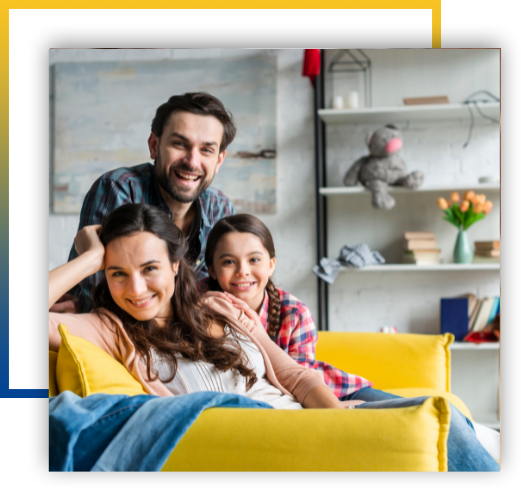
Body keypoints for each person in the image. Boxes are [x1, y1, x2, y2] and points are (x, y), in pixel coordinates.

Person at [201, 214, 499, 471]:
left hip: (335, 392)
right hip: (300, 407)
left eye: (254, 259)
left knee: (443, 414)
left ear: (271, 264)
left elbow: (300, 381)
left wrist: (349, 406)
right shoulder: (203, 310)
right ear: (212, 269)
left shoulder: (293, 311)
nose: (242, 271)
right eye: (229, 262)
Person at [49, 203, 356, 412]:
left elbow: (297, 377)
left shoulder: (220, 305)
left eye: (150, 268)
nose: (136, 289)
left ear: (173, 265)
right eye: (118, 273)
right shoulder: (108, 329)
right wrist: (88, 259)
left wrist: (338, 426)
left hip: (315, 420)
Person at [56, 92, 237, 314]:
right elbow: (105, 300)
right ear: (154, 145)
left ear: (219, 160)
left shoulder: (220, 208)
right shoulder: (118, 188)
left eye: (206, 150)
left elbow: (225, 297)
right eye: (180, 144)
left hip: (182, 339)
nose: (192, 161)